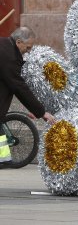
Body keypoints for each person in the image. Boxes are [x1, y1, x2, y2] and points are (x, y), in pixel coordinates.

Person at [0, 26, 56, 168]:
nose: (28, 51)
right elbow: (19, 87)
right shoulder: (9, 55)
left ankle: (3, 160)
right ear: (19, 42)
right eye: (28, 47)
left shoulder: (5, 46)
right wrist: (41, 112)